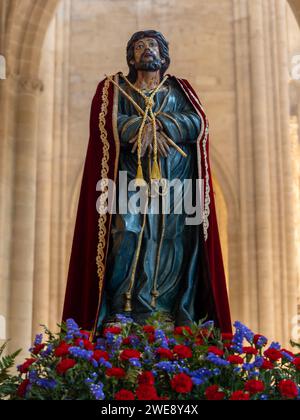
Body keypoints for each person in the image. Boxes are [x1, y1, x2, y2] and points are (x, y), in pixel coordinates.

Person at [62, 30, 232, 339]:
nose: (146, 51)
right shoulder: (115, 89)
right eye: (139, 47)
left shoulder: (179, 90)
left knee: (172, 238)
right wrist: (139, 130)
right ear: (131, 57)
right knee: (126, 232)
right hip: (130, 180)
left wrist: (163, 124)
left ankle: (163, 309)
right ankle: (124, 309)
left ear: (163, 54)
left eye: (152, 45)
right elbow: (105, 122)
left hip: (175, 181)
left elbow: (198, 123)